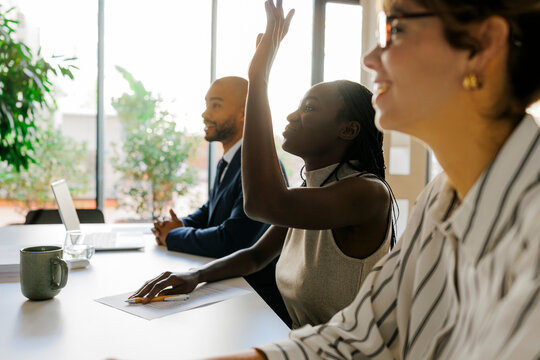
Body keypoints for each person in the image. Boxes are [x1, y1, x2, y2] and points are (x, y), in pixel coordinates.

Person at [208, 0, 540, 359]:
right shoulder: (438, 200)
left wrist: (259, 76)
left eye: (395, 29)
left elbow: (266, 203)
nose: (370, 58)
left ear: (484, 44)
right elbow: (360, 335)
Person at [130, 7, 397, 330]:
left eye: (309, 108)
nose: (291, 116)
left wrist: (259, 76)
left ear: (349, 130)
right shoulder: (310, 193)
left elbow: (263, 204)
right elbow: (256, 256)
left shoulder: (368, 193)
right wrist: (195, 276)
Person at [151, 76, 291, 325]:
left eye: (215, 105)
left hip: (255, 302)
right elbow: (211, 211)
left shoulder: (258, 166)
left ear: (244, 113)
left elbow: (232, 240)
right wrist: (179, 223)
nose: (205, 114)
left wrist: (173, 236)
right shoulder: (229, 161)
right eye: (207, 104)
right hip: (228, 286)